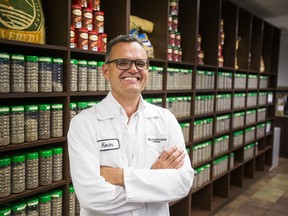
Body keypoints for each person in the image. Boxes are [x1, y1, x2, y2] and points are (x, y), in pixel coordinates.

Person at [68, 34, 194, 216]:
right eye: (123, 62)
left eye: (140, 63)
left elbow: (182, 183)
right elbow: (91, 197)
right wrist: (154, 180)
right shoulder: (83, 124)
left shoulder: (165, 119)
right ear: (105, 71)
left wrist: (119, 176)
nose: (133, 69)